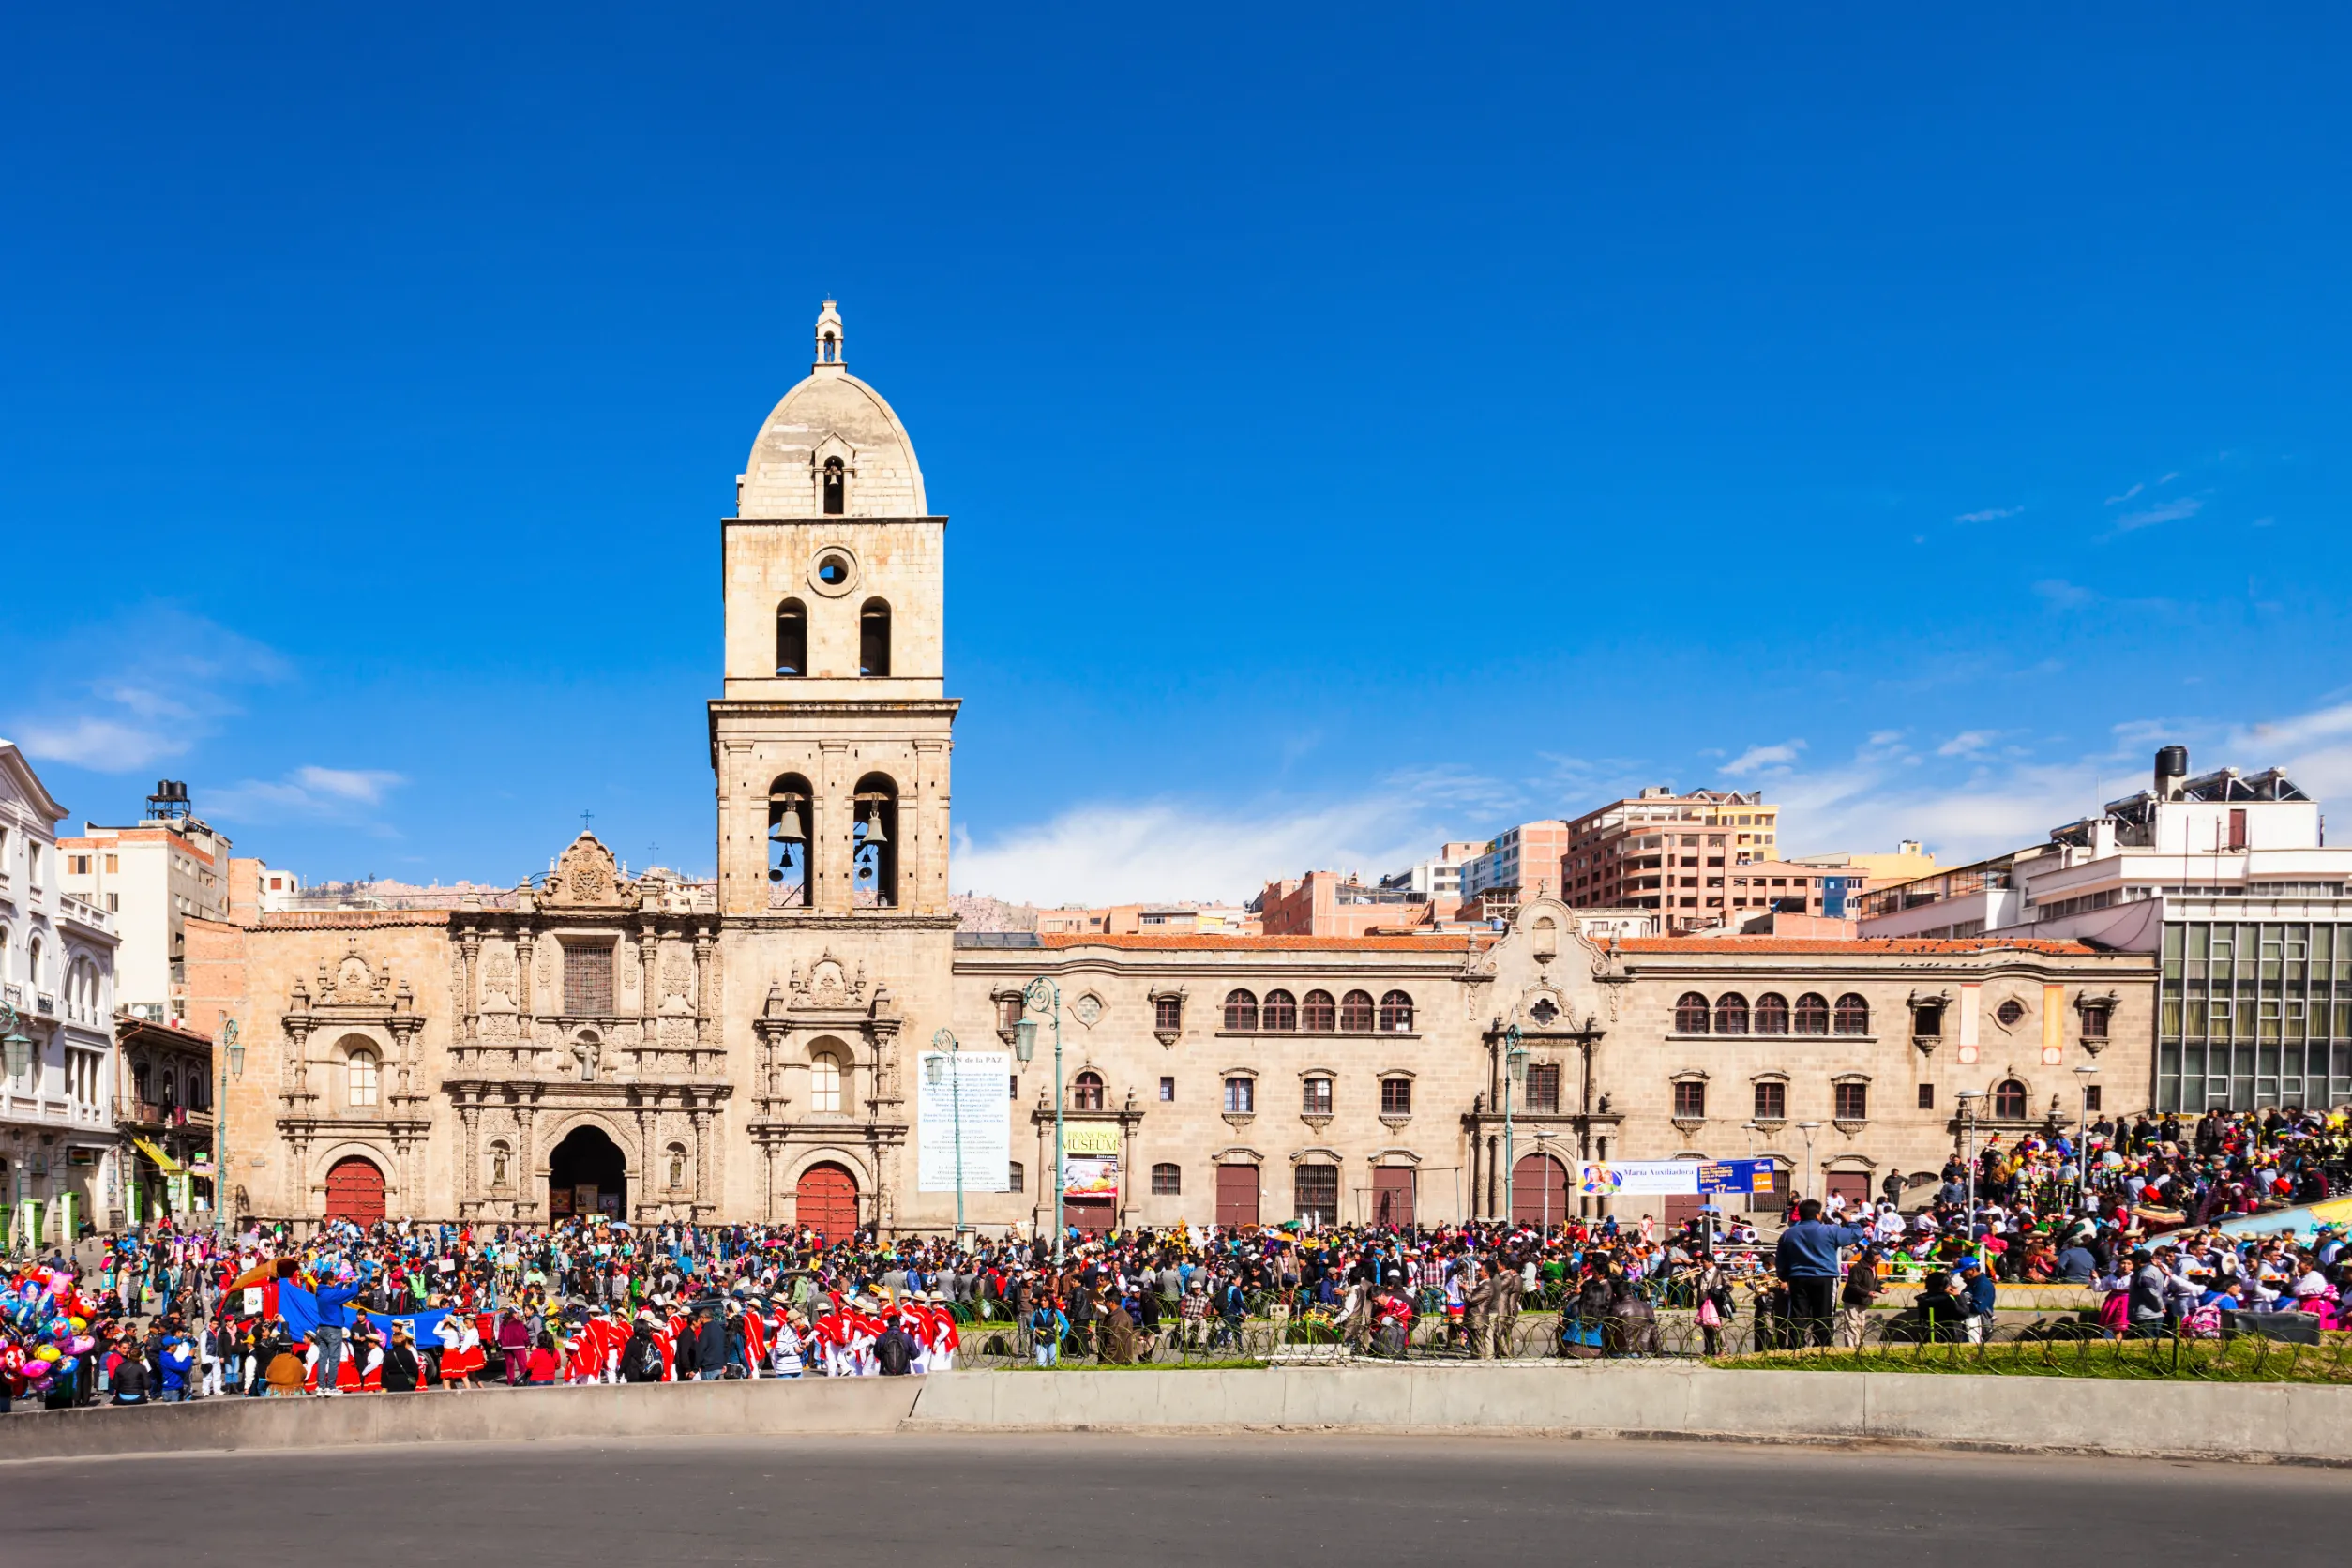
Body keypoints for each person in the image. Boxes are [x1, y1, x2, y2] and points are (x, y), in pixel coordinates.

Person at [1773, 1199, 1872, 1349]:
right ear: (1818, 1215)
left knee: (1798, 1313)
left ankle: (1796, 1346)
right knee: (1824, 1313)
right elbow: (1857, 1234)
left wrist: (1783, 1276)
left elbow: (1781, 1259)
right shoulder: (1830, 1230)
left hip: (1798, 1278)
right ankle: (1822, 1346)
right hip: (1824, 1278)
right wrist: (1850, 1221)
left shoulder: (1789, 1234)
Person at [1838, 1245, 1881, 1348]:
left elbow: (1873, 1282)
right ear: (1870, 1258)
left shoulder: (1873, 1266)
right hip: (1852, 1299)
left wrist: (1880, 1289)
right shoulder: (1857, 1268)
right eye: (1876, 1259)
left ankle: (1858, 1344)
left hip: (1863, 1299)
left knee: (1860, 1323)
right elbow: (1853, 1285)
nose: (1878, 1261)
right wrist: (1867, 1293)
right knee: (1851, 1323)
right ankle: (1850, 1347)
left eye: (1879, 1259)